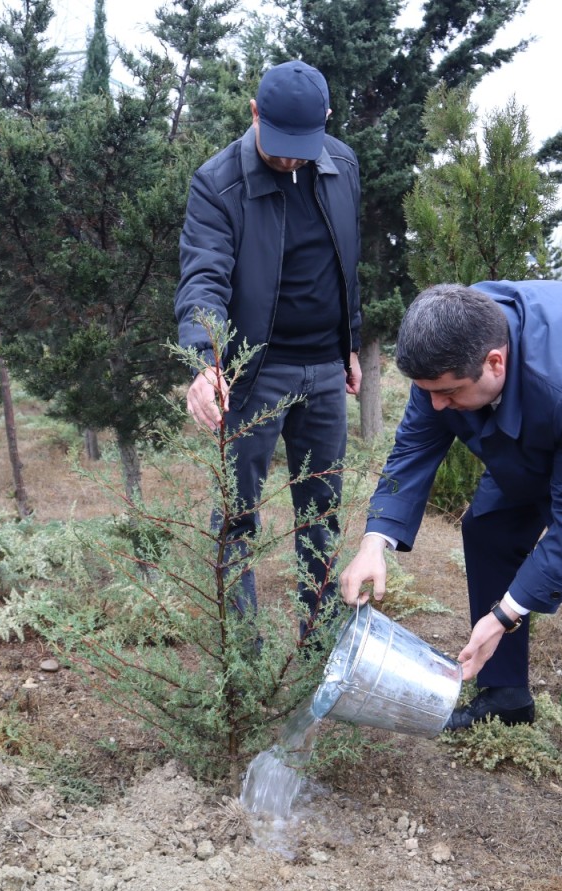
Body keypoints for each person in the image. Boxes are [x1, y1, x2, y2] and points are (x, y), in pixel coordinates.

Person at [339, 281, 562, 809]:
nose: (437, 405)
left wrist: (505, 613)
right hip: (549, 412)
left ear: (495, 363)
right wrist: (375, 541)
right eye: (428, 391)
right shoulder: (447, 348)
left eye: (449, 394)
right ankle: (506, 695)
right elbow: (414, 447)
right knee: (488, 526)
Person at [175, 61, 362, 636]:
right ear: (255, 113)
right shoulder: (219, 183)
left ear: (325, 122)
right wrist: (206, 363)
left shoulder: (343, 165)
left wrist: (349, 341)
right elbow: (203, 278)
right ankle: (242, 656)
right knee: (236, 517)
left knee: (322, 513)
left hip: (326, 369)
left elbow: (345, 265)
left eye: (301, 147)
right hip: (255, 375)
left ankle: (319, 646)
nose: (289, 159)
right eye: (280, 146)